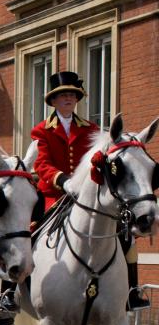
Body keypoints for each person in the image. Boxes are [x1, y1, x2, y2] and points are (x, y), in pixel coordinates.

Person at [27, 70, 148, 312]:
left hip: (86, 195)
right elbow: (41, 164)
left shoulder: (91, 128)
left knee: (125, 234)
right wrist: (63, 180)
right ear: (53, 100)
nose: (68, 99)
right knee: (22, 236)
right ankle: (9, 294)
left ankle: (131, 291)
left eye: (72, 94)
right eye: (63, 95)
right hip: (54, 195)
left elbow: (98, 158)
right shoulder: (41, 130)